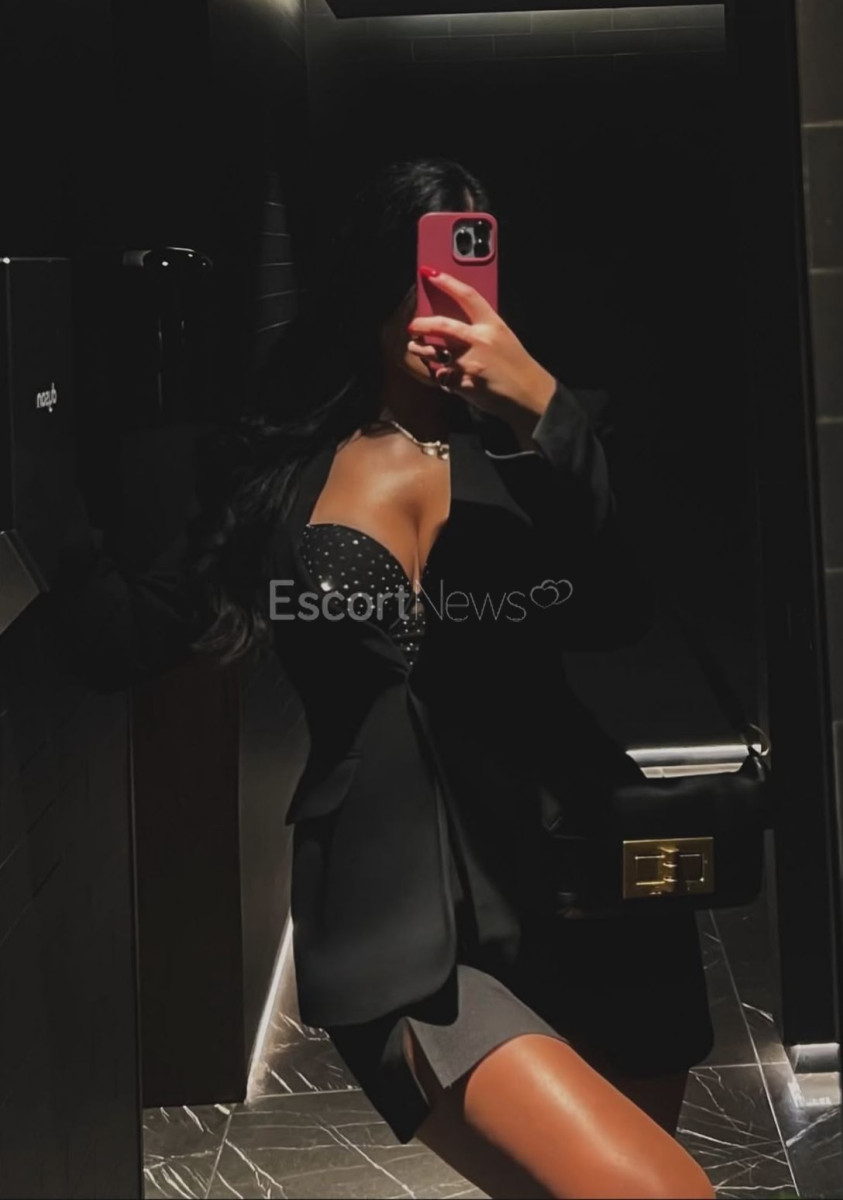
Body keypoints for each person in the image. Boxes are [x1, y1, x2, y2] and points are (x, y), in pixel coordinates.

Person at [36, 158, 715, 1199]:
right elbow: (126, 638)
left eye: (470, 266)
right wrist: (41, 487)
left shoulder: (547, 439)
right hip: (396, 914)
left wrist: (542, 419)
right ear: (369, 281)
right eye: (424, 267)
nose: (446, 296)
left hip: (583, 886)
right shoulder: (277, 470)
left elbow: (616, 614)